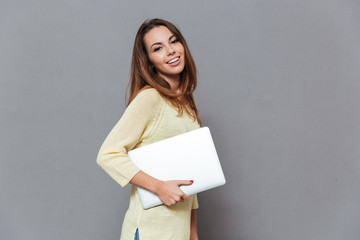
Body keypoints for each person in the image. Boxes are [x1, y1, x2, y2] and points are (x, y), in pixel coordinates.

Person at [97, 18, 201, 240]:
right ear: (150, 61)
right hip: (150, 231)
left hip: (178, 233)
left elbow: (192, 177)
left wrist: (192, 232)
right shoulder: (150, 98)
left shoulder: (187, 105)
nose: (171, 51)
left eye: (174, 41)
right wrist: (159, 187)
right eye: (158, 48)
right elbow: (108, 154)